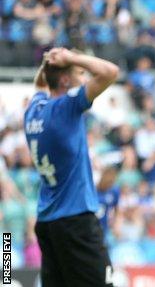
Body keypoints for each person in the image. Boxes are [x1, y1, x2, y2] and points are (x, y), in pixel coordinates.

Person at [24, 47, 119, 286]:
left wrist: (49, 63)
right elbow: (110, 72)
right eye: (80, 72)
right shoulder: (66, 108)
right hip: (76, 222)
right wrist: (71, 57)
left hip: (47, 223)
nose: (85, 77)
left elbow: (40, 85)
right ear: (66, 80)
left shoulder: (33, 112)